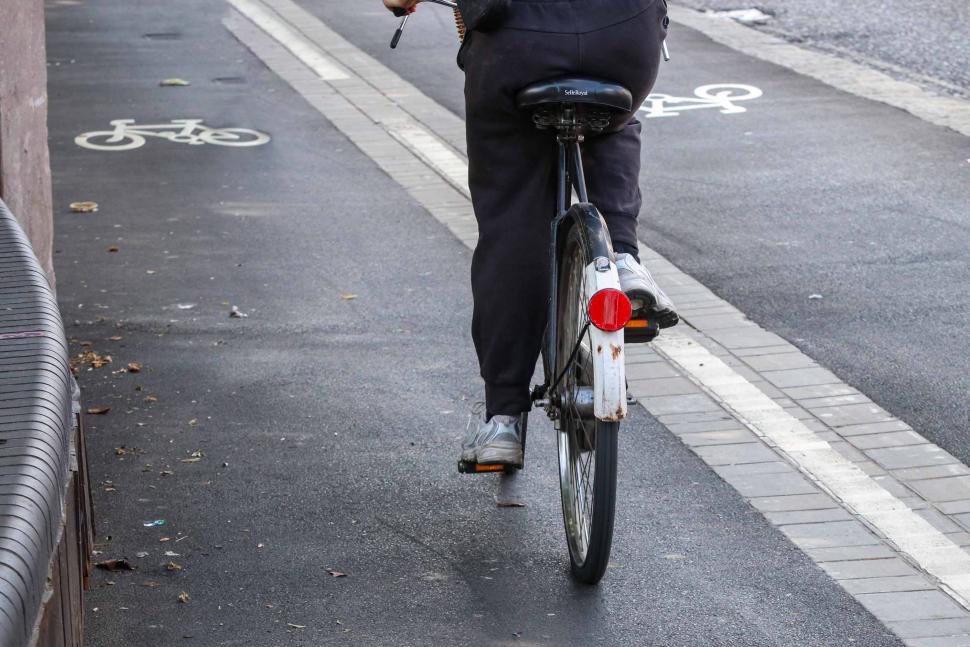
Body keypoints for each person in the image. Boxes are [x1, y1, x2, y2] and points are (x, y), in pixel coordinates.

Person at [383, 0, 678, 467]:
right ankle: (624, 260)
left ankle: (503, 420)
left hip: (517, 50)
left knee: (512, 220)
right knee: (614, 120)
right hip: (624, 42)